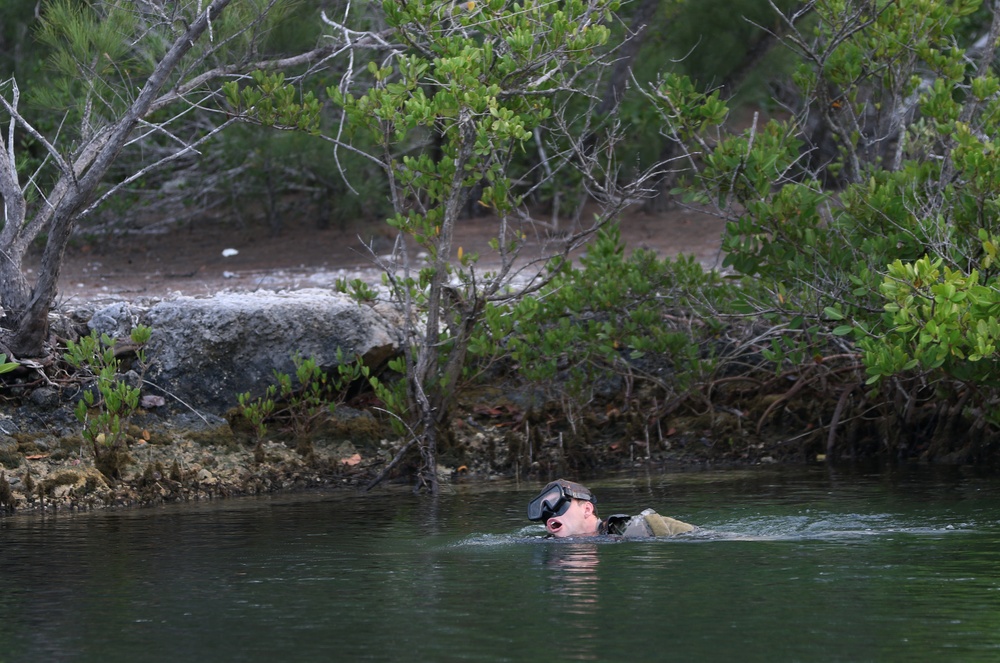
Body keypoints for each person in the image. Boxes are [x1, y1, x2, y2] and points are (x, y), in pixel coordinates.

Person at [527, 478, 695, 538]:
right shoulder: (547, 548)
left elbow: (705, 536)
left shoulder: (647, 526)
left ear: (587, 509)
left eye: (558, 503)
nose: (550, 513)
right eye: (543, 509)